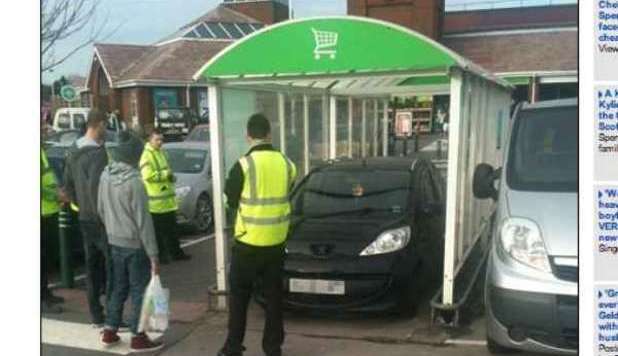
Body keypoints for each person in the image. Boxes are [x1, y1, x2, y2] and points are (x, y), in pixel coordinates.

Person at [218, 114, 297, 356]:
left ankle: (233, 348)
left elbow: (228, 199)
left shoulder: (243, 165)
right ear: (269, 135)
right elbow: (288, 189)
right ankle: (273, 349)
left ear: (248, 136)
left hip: (248, 243)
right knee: (274, 299)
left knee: (240, 298)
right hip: (275, 243)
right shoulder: (287, 164)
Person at [98, 131, 164, 352]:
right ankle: (138, 336)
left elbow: (100, 209)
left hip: (113, 240)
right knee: (139, 290)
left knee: (118, 287)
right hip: (135, 245)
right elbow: (144, 223)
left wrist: (112, 229)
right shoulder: (135, 183)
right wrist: (153, 255)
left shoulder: (105, 176)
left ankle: (109, 330)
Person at [63, 109, 111, 327]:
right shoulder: (99, 154)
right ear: (98, 124)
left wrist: (80, 206)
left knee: (91, 267)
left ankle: (96, 315)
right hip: (101, 219)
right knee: (113, 267)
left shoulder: (73, 150)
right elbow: (101, 189)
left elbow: (68, 186)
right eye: (106, 125)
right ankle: (113, 314)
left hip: (84, 218)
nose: (107, 129)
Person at [139, 130, 190, 263]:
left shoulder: (161, 153)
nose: (160, 142)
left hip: (167, 201)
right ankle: (162, 257)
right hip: (156, 204)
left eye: (161, 139)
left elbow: (166, 170)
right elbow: (147, 176)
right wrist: (165, 174)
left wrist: (170, 177)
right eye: (157, 140)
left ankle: (176, 253)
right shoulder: (146, 156)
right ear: (149, 140)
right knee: (159, 233)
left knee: (172, 230)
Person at [41, 147, 65, 314]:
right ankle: (42, 299)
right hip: (42, 211)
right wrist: (56, 195)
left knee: (47, 257)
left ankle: (45, 293)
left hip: (49, 210)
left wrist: (59, 192)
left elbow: (48, 176)